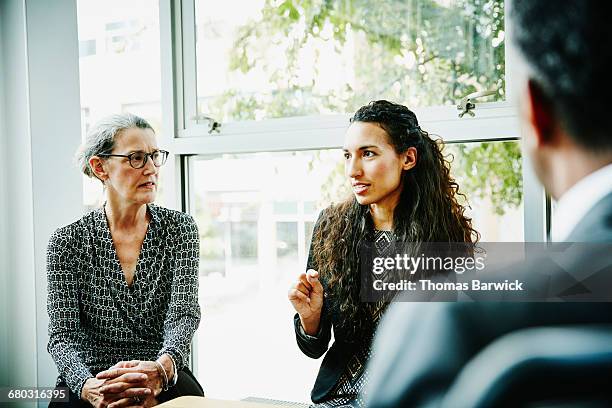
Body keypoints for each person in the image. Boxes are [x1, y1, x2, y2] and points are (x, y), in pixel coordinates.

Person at [365, 1, 612, 406]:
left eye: (370, 152)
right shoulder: (335, 229)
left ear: (535, 112)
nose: (356, 169)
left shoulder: (449, 322)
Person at [288, 100, 479, 407]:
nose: (353, 170)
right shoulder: (330, 225)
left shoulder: (444, 233)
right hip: (338, 398)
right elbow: (314, 347)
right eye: (348, 155)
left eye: (368, 154)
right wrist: (310, 319)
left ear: (408, 158)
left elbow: (453, 339)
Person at [47, 113, 204, 407]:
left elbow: (183, 316)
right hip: (90, 376)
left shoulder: (181, 229)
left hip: (159, 371)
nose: (151, 169)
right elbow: (62, 335)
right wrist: (89, 387)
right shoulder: (66, 242)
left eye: (155, 156)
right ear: (100, 167)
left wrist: (162, 369)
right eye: (136, 158)